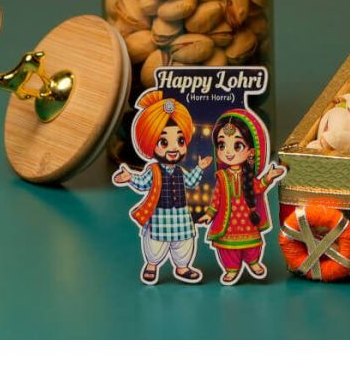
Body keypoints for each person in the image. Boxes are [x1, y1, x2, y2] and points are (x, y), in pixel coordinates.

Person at [113, 90, 211, 284]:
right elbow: (143, 183)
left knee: (184, 243)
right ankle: (151, 265)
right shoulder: (154, 170)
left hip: (181, 216)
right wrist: (130, 177)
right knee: (155, 244)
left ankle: (182, 267)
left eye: (180, 141)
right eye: (164, 142)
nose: (173, 148)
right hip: (160, 216)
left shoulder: (181, 171)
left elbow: (191, 182)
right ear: (149, 142)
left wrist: (199, 168)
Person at [204, 108, 286, 284]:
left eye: (237, 146)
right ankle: (231, 268)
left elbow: (258, 188)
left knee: (252, 245)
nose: (228, 152)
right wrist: (209, 214)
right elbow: (217, 198)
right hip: (227, 223)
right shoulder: (222, 177)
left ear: (251, 151)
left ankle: (253, 262)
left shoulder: (248, 176)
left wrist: (268, 177)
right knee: (228, 249)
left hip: (247, 221)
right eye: (222, 145)